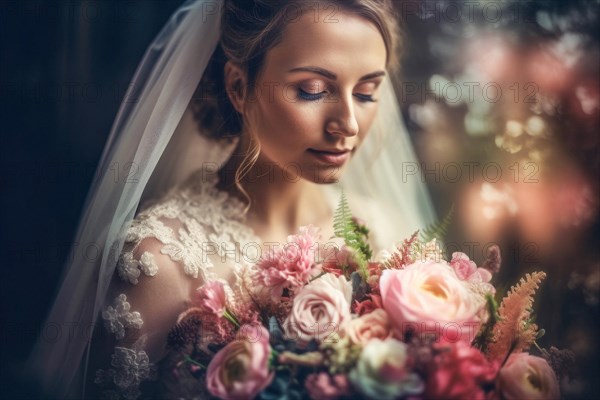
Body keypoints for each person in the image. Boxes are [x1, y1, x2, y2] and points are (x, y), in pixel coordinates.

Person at [25, 0, 435, 399]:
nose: (347, 124)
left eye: (366, 93)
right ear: (239, 86)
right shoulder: (161, 262)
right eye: (312, 90)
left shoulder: (386, 236)